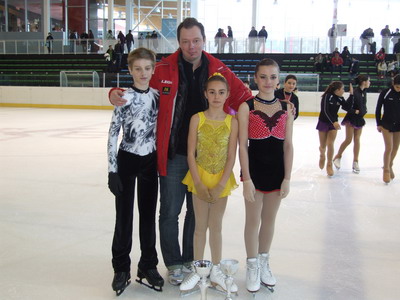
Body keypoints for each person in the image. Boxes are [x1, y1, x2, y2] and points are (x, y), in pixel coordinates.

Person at [108, 17, 252, 286]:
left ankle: (189, 261)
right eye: (185, 41)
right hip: (173, 154)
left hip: (205, 158)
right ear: (179, 42)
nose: (191, 46)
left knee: (195, 214)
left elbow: (244, 98)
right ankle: (174, 263)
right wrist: (115, 93)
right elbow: (137, 88)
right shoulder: (163, 67)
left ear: (204, 40)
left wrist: (266, 115)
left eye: (196, 40)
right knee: (169, 211)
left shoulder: (218, 68)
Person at [107, 48, 164, 296]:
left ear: (153, 69)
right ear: (130, 70)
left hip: (150, 160)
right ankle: (121, 268)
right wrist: (112, 170)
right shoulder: (124, 97)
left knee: (148, 216)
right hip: (128, 160)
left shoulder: (157, 96)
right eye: (137, 68)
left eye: (147, 68)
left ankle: (148, 265)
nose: (143, 73)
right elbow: (113, 133)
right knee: (124, 217)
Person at [238, 58, 294, 293]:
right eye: (263, 76)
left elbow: (288, 145)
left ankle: (263, 262)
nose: (268, 81)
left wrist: (287, 177)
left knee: (269, 220)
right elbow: (242, 145)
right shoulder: (247, 107)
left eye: (272, 77)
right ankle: (252, 265)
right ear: (255, 78)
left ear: (278, 79)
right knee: (253, 220)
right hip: (255, 171)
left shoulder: (286, 107)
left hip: (277, 172)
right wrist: (247, 178)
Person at [179, 74, 239, 293]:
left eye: (221, 92)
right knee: (199, 227)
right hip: (199, 179)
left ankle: (216, 270)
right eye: (212, 92)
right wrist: (199, 182)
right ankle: (198, 270)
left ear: (227, 95)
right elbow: (190, 153)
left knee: (216, 227)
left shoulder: (232, 121)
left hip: (221, 180)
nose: (216, 96)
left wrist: (222, 183)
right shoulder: (197, 118)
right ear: (205, 94)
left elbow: (232, 156)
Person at [333, 75, 370, 173]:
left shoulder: (363, 93)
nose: (370, 82)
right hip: (351, 118)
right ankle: (338, 156)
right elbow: (346, 107)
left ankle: (355, 161)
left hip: (359, 119)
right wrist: (355, 112)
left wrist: (364, 110)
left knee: (357, 140)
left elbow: (363, 105)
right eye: (368, 80)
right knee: (349, 139)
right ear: (364, 82)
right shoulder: (356, 92)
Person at [316, 81, 353, 176]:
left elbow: (347, 108)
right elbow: (325, 110)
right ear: (337, 90)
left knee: (330, 143)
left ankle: (329, 164)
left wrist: (351, 95)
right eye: (343, 89)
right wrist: (333, 121)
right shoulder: (327, 96)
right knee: (323, 145)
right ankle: (322, 154)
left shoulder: (340, 98)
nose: (344, 91)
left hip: (333, 124)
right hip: (324, 121)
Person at [375, 74, 400, 183]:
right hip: (386, 124)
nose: (399, 89)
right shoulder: (385, 93)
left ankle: (389, 165)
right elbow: (378, 108)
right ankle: (386, 170)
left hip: (398, 124)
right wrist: (378, 123)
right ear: (393, 84)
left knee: (395, 148)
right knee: (389, 147)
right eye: (398, 87)